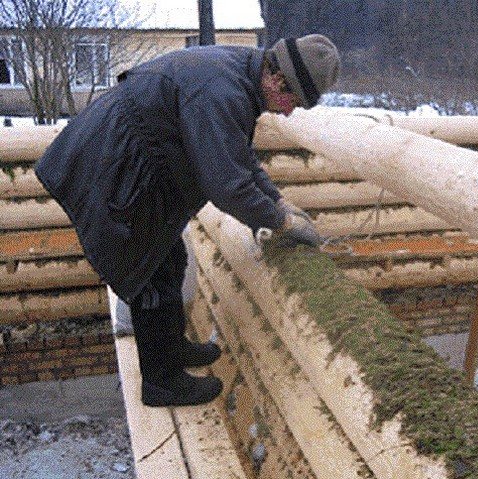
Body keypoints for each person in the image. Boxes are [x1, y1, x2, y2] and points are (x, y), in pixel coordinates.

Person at [34, 35, 341, 407]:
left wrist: (278, 200)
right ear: (277, 81)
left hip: (131, 155)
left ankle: (171, 348)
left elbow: (237, 154)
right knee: (148, 271)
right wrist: (280, 221)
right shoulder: (222, 91)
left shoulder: (242, 73)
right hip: (113, 160)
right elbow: (226, 184)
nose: (289, 112)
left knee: (170, 258)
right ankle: (161, 382)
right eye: (293, 102)